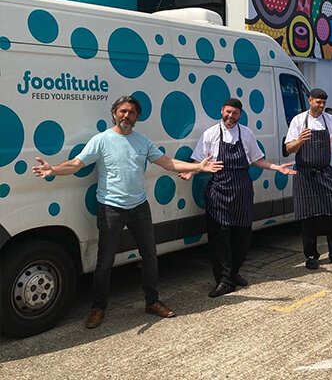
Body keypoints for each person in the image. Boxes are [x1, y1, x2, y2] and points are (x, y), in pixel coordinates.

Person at [32, 95, 223, 328]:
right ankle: (98, 307)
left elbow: (168, 163)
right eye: (122, 111)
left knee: (150, 256)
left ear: (137, 117)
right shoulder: (101, 140)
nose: (126, 115)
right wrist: (53, 170)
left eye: (131, 112)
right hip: (110, 208)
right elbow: (76, 164)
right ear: (114, 113)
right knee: (105, 261)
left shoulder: (142, 142)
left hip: (139, 207)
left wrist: (198, 166)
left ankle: (152, 301)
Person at [179, 98, 296, 297]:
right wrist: (191, 172)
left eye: (234, 113)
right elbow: (199, 160)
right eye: (228, 112)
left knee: (242, 235)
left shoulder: (247, 133)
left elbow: (257, 159)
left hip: (242, 189)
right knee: (220, 236)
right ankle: (224, 280)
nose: (230, 116)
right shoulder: (211, 134)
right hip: (218, 190)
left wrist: (277, 168)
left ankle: (234, 272)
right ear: (222, 111)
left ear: (240, 115)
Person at [285, 88, 332, 270]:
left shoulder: (331, 120)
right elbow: (289, 148)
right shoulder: (298, 120)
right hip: (304, 174)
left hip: (325, 172)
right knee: (308, 217)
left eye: (323, 103)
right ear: (310, 100)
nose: (321, 106)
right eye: (318, 102)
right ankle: (311, 256)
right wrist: (301, 140)